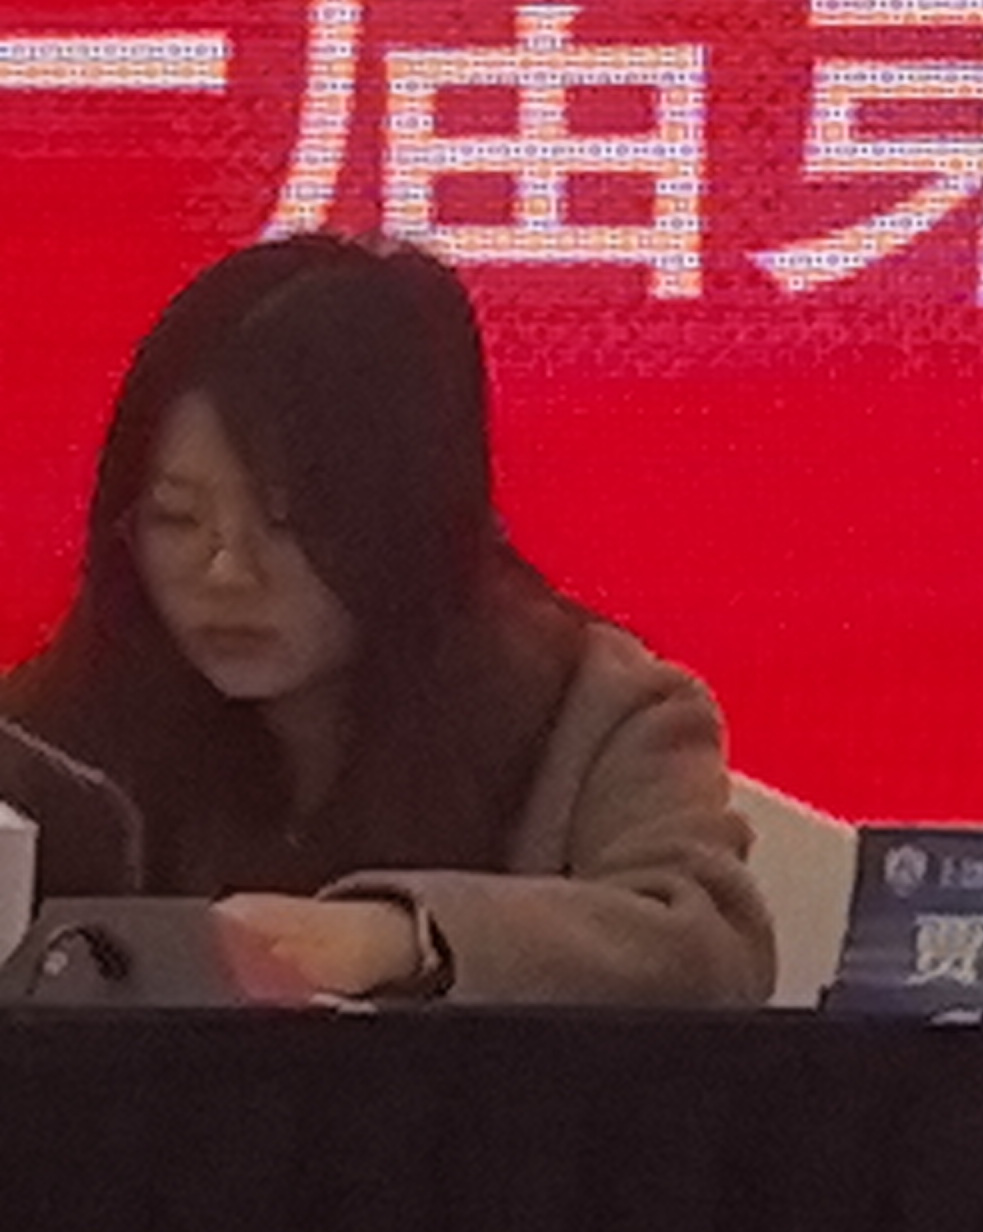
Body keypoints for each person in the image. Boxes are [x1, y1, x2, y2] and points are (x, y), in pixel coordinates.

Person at [0, 237, 772, 1006]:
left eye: (285, 522)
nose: (225, 572)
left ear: (409, 520)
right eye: (176, 518)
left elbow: (709, 947)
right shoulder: (51, 736)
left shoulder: (593, 713)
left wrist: (400, 937)